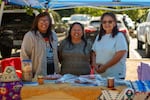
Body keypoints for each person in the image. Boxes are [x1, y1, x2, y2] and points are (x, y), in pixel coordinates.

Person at [20, 12, 60, 79]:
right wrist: (28, 75)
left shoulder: (53, 35)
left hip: (53, 74)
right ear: (36, 22)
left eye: (46, 20)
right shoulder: (30, 36)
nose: (44, 22)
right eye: (41, 20)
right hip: (38, 75)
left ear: (50, 22)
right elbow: (24, 56)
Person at [91, 12, 128, 79]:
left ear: (114, 23)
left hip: (115, 76)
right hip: (99, 76)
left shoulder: (119, 36)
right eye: (104, 22)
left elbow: (119, 55)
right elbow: (93, 52)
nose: (107, 24)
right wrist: (95, 65)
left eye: (110, 22)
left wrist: (104, 67)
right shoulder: (99, 36)